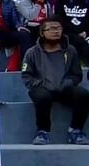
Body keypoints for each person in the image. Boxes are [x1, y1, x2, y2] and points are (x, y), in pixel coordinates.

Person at [21, 16, 89, 145]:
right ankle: (42, 132)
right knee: (42, 97)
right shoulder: (32, 52)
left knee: (83, 95)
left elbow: (77, 75)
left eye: (58, 28)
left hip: (64, 88)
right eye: (51, 28)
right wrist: (42, 84)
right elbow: (26, 76)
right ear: (42, 32)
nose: (56, 31)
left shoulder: (71, 51)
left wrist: (67, 83)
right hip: (42, 88)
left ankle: (75, 131)